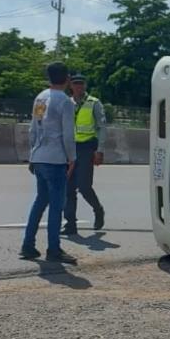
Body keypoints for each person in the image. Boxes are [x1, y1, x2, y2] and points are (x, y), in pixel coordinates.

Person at [20, 62, 78, 264]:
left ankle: (28, 244)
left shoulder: (40, 97)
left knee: (40, 201)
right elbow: (69, 134)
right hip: (56, 158)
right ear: (67, 78)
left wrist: (32, 154)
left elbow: (33, 129)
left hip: (39, 155)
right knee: (56, 205)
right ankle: (54, 248)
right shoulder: (66, 102)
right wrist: (72, 158)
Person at [61, 73, 108, 235]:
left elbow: (102, 127)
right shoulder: (66, 103)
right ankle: (70, 224)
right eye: (75, 83)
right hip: (69, 149)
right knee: (68, 187)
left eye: (81, 83)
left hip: (87, 148)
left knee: (84, 186)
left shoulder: (94, 103)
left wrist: (100, 150)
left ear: (85, 85)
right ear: (71, 86)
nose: (78, 86)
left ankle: (98, 209)